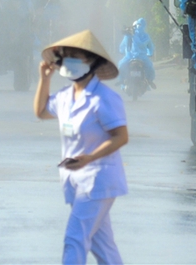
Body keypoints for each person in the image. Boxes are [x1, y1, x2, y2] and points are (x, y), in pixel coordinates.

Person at [33, 29, 128, 265]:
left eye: (77, 56)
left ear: (93, 62)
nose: (70, 61)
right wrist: (44, 79)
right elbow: (41, 111)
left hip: (97, 180)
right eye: (66, 56)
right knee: (102, 244)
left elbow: (121, 136)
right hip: (76, 180)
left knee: (75, 238)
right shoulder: (65, 97)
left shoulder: (104, 98)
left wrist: (90, 157)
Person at [118, 18, 156, 89]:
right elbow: (150, 47)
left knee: (121, 66)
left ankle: (122, 82)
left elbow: (122, 47)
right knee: (150, 68)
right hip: (142, 57)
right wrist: (150, 53)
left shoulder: (129, 35)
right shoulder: (145, 36)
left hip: (129, 57)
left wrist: (122, 51)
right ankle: (149, 81)